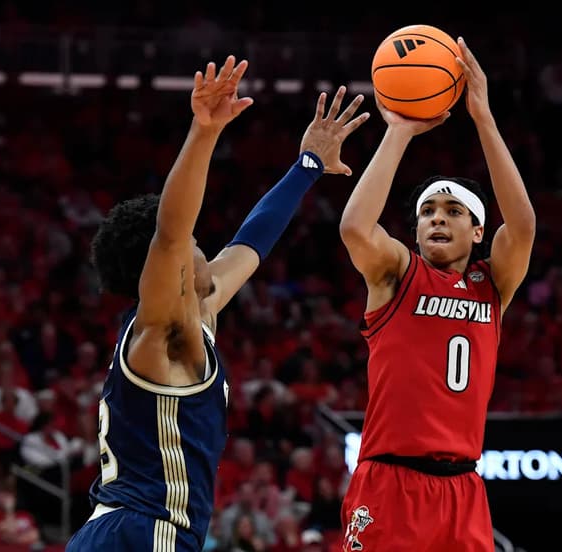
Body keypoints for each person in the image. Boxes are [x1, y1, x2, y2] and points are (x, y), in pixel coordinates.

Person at [66, 55, 369, 551]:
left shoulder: (196, 314)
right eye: (195, 241)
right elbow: (170, 232)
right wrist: (203, 132)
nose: (208, 245)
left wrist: (308, 165)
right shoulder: (162, 334)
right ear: (169, 266)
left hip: (125, 531)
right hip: (146, 532)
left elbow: (251, 242)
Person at [338, 37, 536, 551]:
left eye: (453, 212)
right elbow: (357, 228)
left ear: (477, 232)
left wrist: (484, 120)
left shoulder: (491, 285)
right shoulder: (397, 273)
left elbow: (524, 224)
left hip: (463, 487)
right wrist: (398, 133)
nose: (437, 219)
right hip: (389, 482)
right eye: (427, 212)